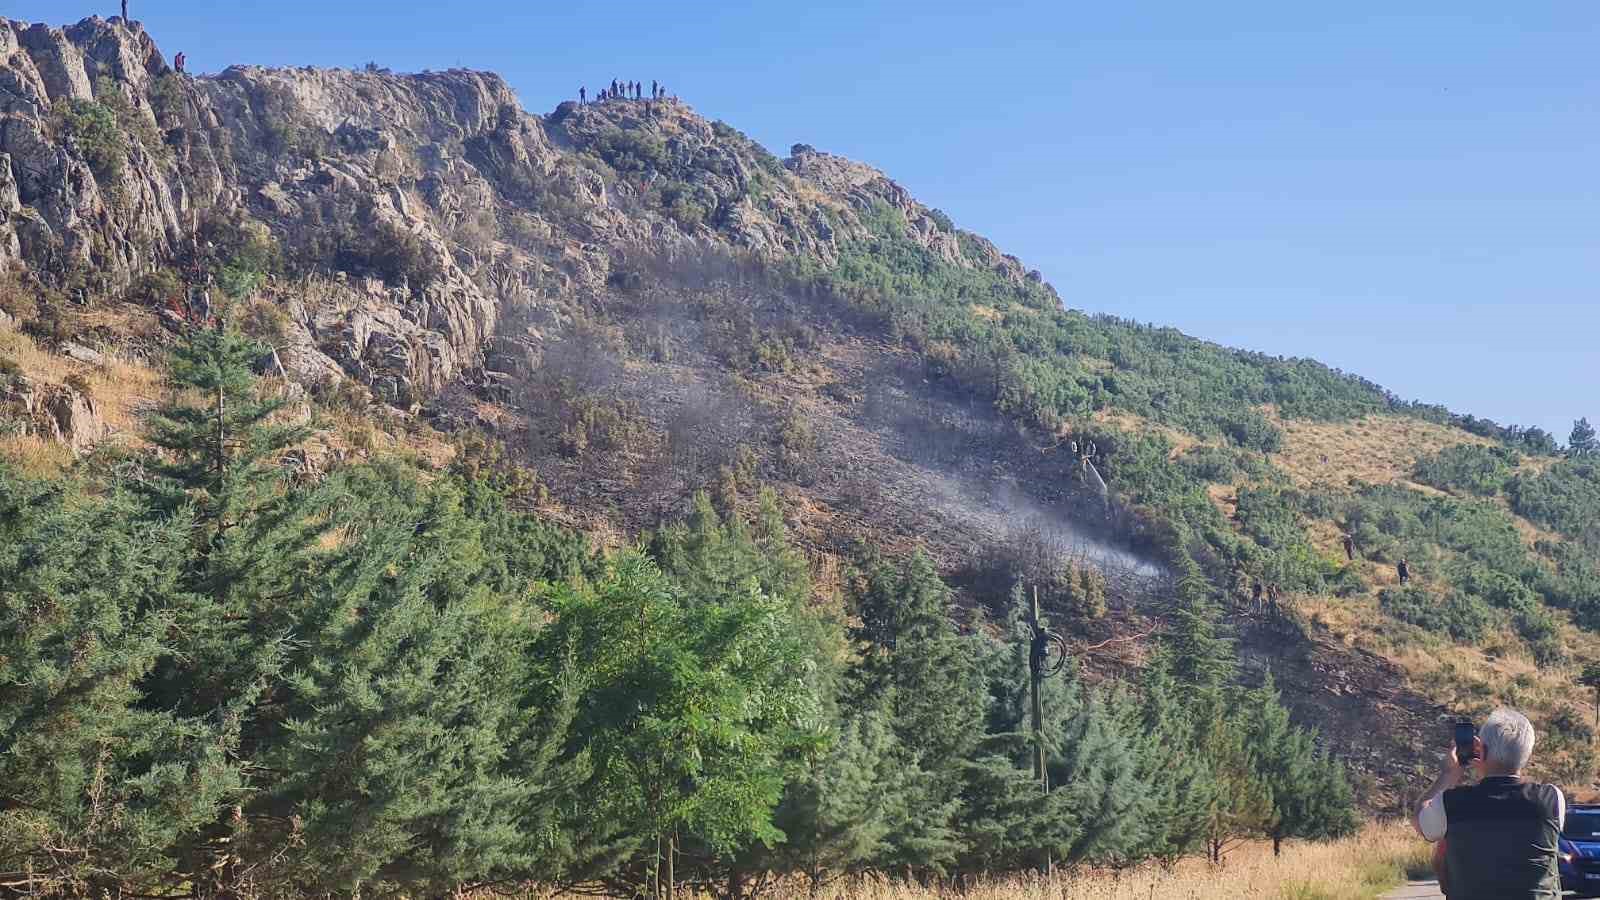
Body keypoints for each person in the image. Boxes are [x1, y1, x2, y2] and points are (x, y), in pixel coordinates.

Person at [1414, 708, 1565, 899]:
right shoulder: (1552, 799)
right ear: (1526, 754)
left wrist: (1449, 774)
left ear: (1481, 750)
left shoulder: (1451, 803)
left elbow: (1421, 822)